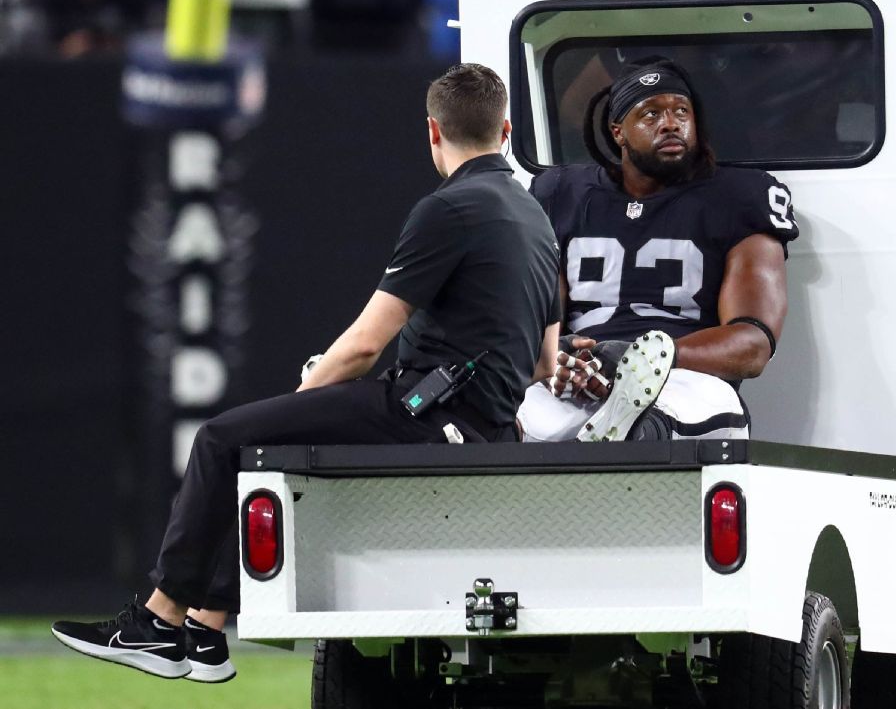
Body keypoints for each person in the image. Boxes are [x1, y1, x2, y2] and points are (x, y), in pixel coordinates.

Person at [50, 63, 561, 683]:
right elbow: (542, 364)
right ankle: (209, 631)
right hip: (490, 428)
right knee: (272, 449)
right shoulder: (538, 221)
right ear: (506, 129)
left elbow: (363, 348)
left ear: (432, 131)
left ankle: (159, 624)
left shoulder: (449, 209)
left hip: (426, 416)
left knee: (222, 438)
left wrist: (309, 387)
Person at [520, 58, 798, 442]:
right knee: (518, 422)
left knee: (649, 431)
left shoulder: (738, 197)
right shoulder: (561, 194)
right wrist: (558, 356)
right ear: (618, 131)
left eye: (681, 111)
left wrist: (641, 359)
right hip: (586, 380)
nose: (670, 123)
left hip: (686, 380)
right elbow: (532, 322)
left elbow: (753, 344)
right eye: (651, 114)